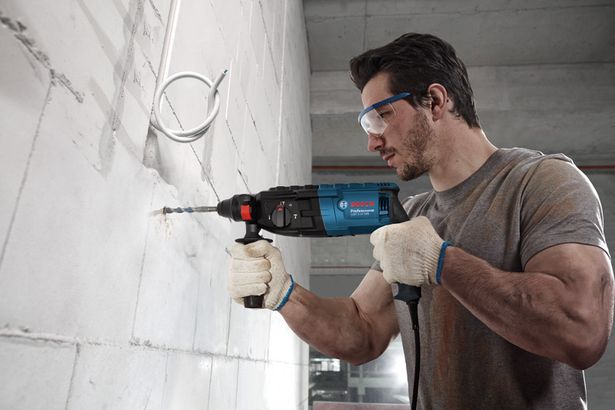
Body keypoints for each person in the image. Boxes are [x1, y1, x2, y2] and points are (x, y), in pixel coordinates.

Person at [227, 33, 614, 409]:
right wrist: (284, 293)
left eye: (381, 116)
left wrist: (441, 262)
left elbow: (582, 329)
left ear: (435, 101)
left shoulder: (542, 181)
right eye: (367, 125)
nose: (372, 142)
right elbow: (362, 329)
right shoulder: (412, 215)